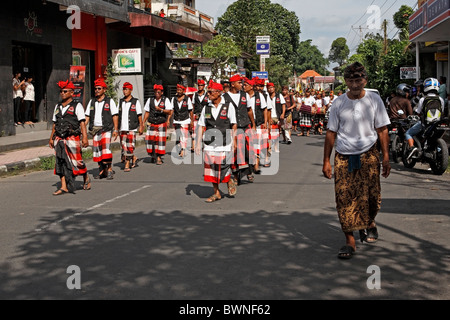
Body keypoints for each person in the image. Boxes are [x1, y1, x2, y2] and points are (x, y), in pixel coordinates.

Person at [322, 62, 391, 260]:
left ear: (365, 80)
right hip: (344, 156)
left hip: (369, 154)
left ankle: (369, 222)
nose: (354, 85)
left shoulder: (374, 100)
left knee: (372, 196)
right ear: (346, 82)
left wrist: (385, 157)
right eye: (351, 81)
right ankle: (349, 240)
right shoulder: (338, 103)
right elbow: (331, 132)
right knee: (344, 198)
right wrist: (326, 160)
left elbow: (382, 129)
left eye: (358, 81)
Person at [195, 81, 238, 203]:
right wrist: (198, 143)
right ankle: (216, 193)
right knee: (211, 169)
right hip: (209, 143)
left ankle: (228, 179)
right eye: (208, 92)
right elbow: (201, 126)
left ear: (219, 93)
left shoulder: (228, 106)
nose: (208, 94)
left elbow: (233, 125)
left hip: (225, 141)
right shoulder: (206, 107)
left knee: (224, 166)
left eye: (211, 92)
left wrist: (234, 140)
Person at [49, 80, 90, 196]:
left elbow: (82, 123)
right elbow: (54, 123)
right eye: (61, 91)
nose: (62, 93)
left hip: (72, 138)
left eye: (65, 91)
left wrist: (85, 138)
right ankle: (63, 186)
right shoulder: (57, 107)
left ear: (72, 93)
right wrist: (51, 138)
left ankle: (85, 176)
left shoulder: (77, 106)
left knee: (77, 162)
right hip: (59, 138)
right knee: (60, 162)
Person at [223, 74, 256, 185]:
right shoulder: (224, 97)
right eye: (239, 83)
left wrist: (253, 124)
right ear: (233, 84)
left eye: (242, 83)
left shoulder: (244, 95)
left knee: (248, 150)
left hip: (245, 126)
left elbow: (249, 110)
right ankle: (236, 175)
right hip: (233, 128)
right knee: (235, 153)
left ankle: (249, 171)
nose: (242, 85)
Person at [85, 78, 119, 180]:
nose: (97, 90)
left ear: (104, 90)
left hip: (106, 129)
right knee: (98, 151)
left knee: (106, 151)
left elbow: (115, 116)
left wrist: (116, 130)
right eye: (95, 89)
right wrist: (82, 129)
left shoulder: (110, 101)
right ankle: (101, 170)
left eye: (99, 88)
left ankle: (109, 170)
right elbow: (87, 117)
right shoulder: (91, 102)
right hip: (95, 130)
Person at [405, 78, 445, 159]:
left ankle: (413, 148)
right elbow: (442, 111)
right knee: (438, 137)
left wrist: (416, 113)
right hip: (438, 123)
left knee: (408, 133)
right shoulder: (440, 99)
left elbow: (418, 112)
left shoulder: (423, 99)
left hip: (425, 124)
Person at [142, 84, 173, 165]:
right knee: (150, 141)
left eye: (158, 92)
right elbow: (147, 112)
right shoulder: (150, 100)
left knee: (160, 141)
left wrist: (161, 110)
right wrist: (143, 123)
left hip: (161, 123)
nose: (157, 93)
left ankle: (159, 157)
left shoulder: (165, 100)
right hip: (151, 123)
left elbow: (169, 111)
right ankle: (153, 155)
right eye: (155, 91)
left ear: (162, 92)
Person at [243, 78, 268, 173]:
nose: (244, 87)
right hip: (246, 124)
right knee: (247, 145)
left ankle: (256, 165)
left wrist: (265, 122)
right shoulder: (242, 96)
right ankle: (248, 165)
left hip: (257, 123)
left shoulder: (259, 96)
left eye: (246, 85)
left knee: (256, 143)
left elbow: (264, 109)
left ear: (251, 87)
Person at [118, 82, 143, 172]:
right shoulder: (121, 101)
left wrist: (141, 126)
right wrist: (116, 128)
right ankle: (134, 157)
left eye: (126, 89)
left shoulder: (135, 101)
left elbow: (139, 115)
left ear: (131, 90)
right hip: (122, 128)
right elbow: (118, 114)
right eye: (124, 89)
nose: (125, 91)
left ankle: (127, 164)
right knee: (124, 146)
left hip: (132, 127)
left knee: (130, 146)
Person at [171, 84, 194, 158]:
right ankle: (180, 148)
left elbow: (190, 111)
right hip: (176, 120)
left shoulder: (187, 99)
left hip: (185, 120)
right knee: (178, 135)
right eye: (178, 90)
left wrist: (192, 121)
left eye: (180, 90)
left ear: (183, 91)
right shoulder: (173, 99)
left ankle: (183, 150)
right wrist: (168, 119)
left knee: (184, 136)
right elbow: (172, 110)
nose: (179, 91)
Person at [267, 83, 285, 153]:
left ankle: (275, 147)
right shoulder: (266, 96)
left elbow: (283, 105)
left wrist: (283, 114)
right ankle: (269, 148)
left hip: (277, 116)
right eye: (269, 88)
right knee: (270, 134)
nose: (270, 89)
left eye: (272, 87)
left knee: (277, 134)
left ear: (274, 88)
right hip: (270, 117)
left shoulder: (279, 96)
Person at [192, 79, 209, 152]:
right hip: (197, 114)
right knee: (196, 130)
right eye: (199, 85)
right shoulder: (195, 94)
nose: (200, 87)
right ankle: (195, 145)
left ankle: (205, 145)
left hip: (207, 114)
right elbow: (193, 105)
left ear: (204, 86)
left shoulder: (207, 95)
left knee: (206, 129)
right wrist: (192, 115)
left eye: (201, 85)